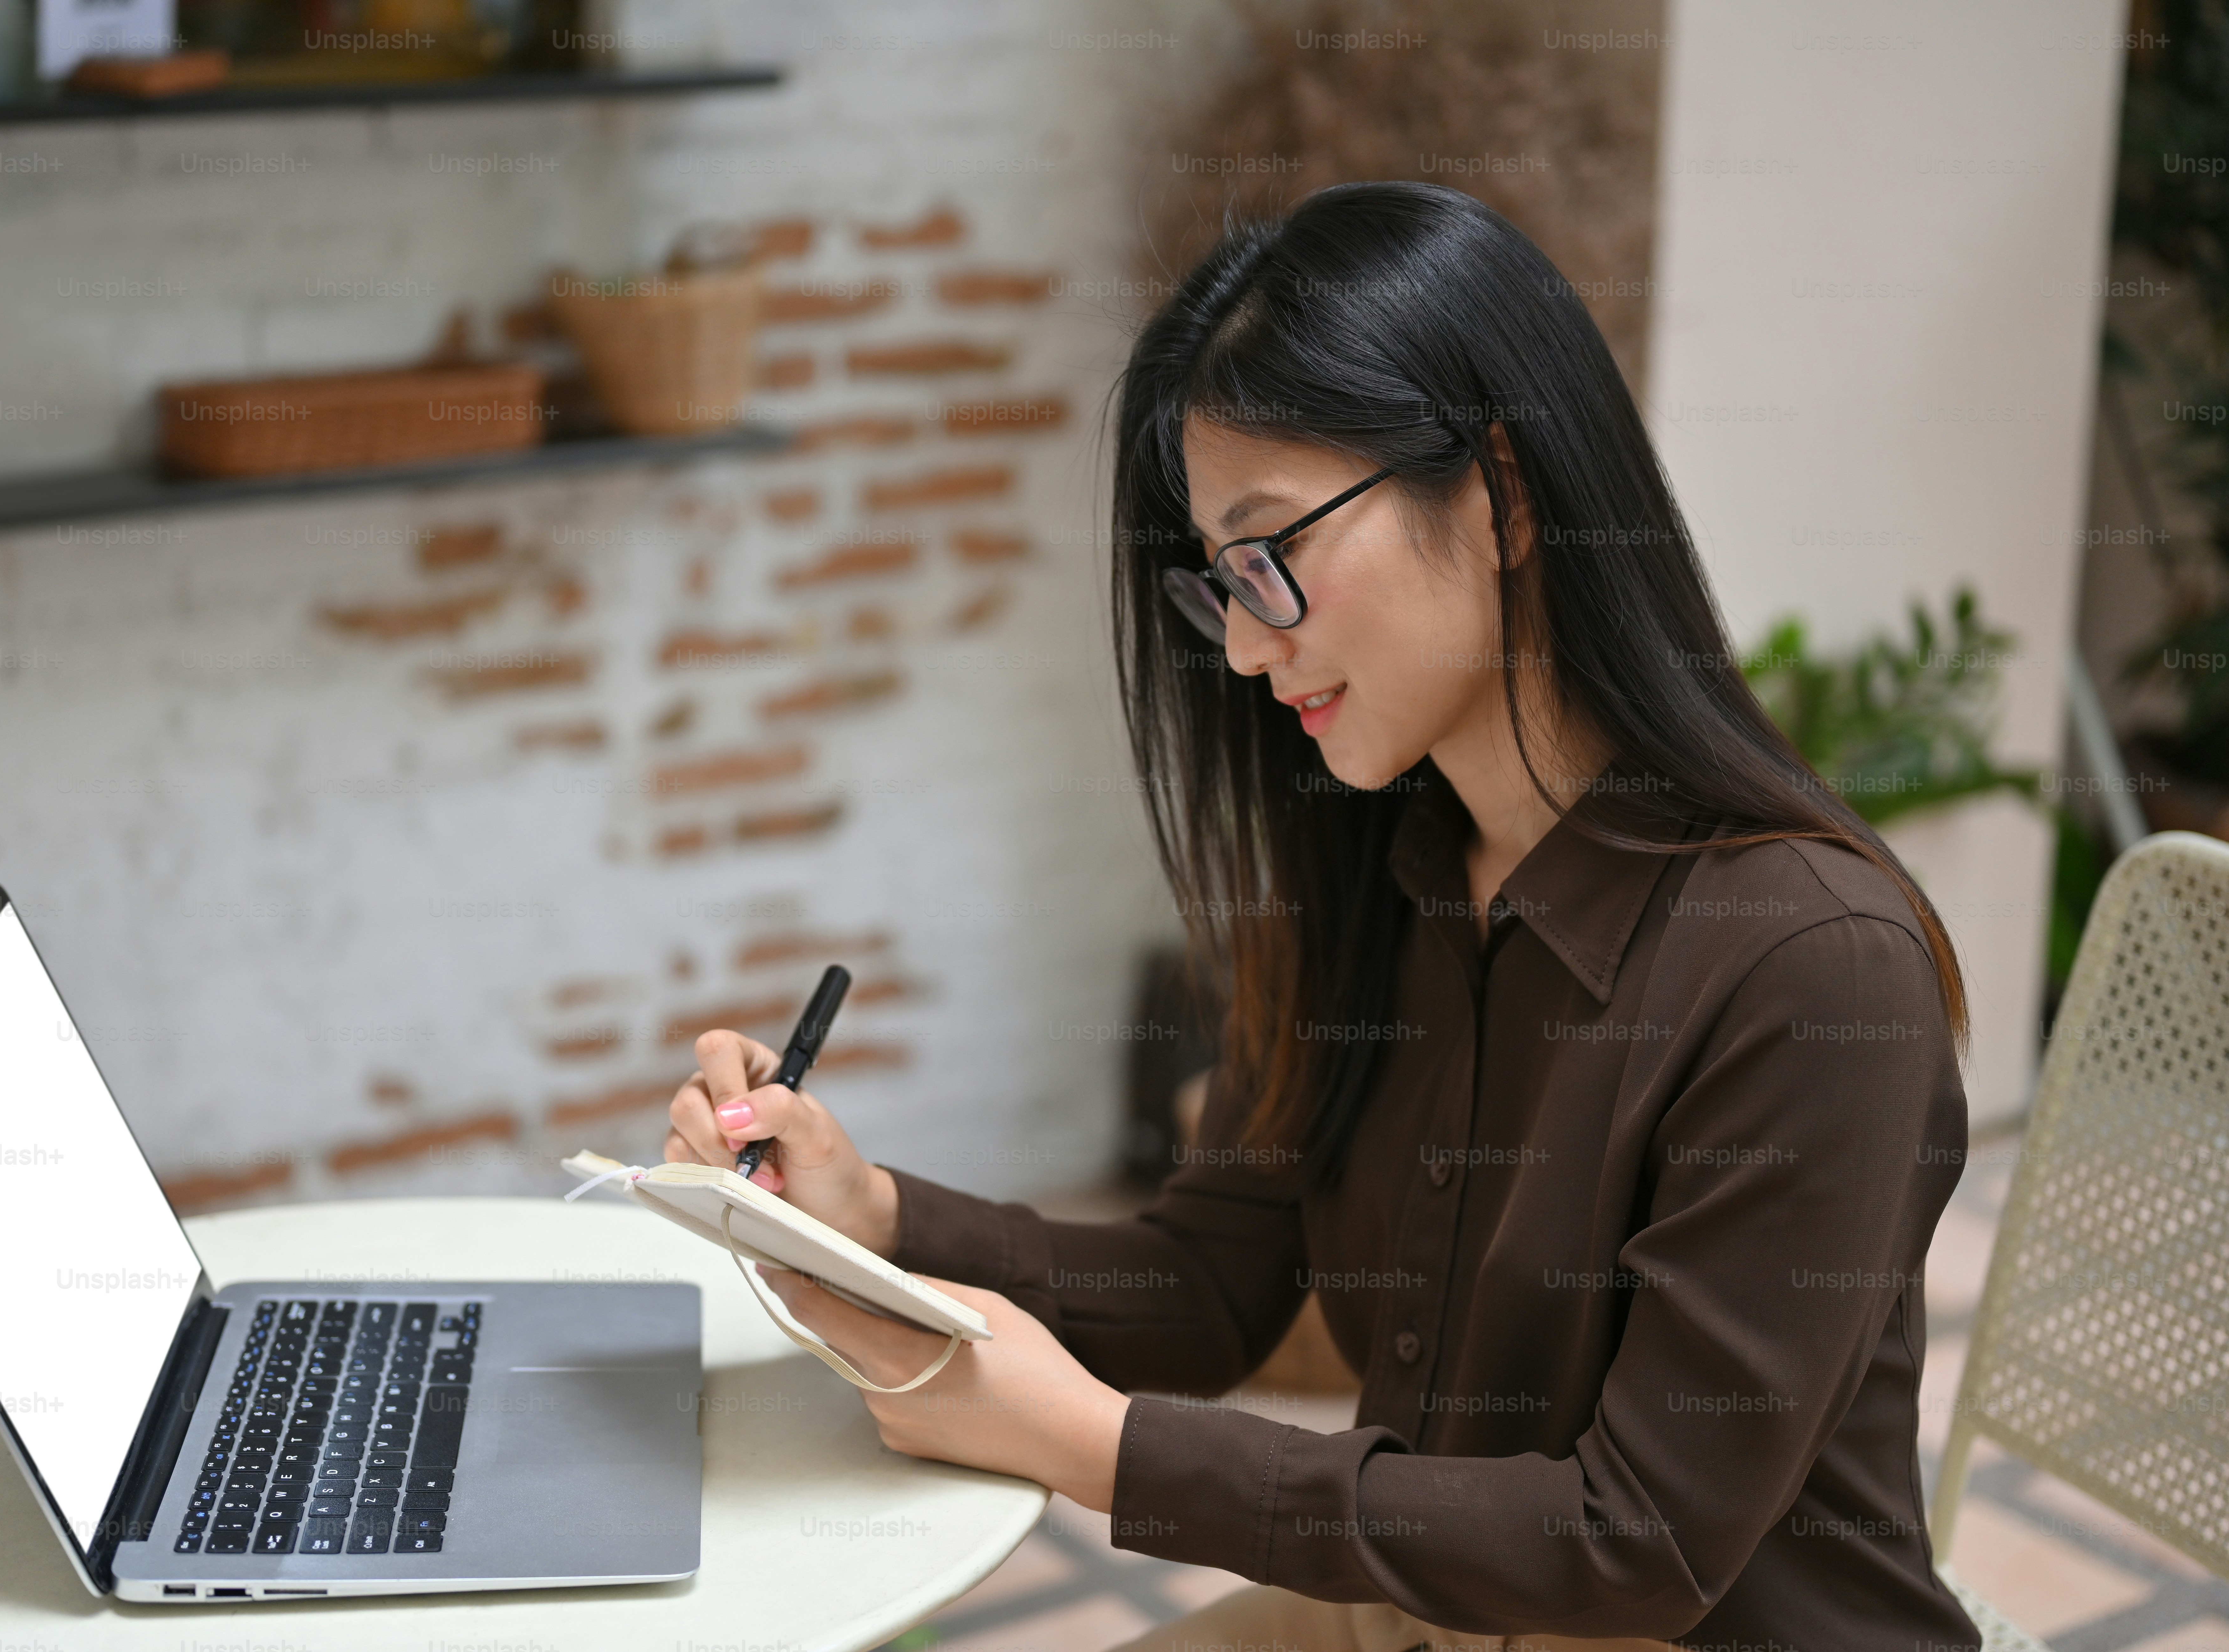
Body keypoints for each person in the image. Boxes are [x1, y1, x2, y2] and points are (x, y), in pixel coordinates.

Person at [662, 182, 1980, 1652]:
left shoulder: (1808, 967)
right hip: (1431, 1608)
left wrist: (1090, 1442)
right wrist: (878, 1216)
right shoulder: (1381, 874)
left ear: (1503, 496)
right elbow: (1212, 1282)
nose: (1237, 647)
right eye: (1219, 582)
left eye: (1270, 552)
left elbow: (1640, 1540)